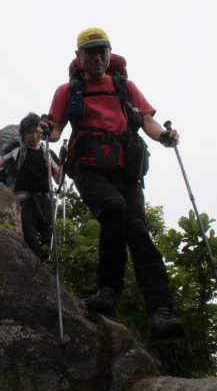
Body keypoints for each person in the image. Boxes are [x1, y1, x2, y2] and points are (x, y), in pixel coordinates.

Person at [44, 27, 184, 339]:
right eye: (89, 52)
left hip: (127, 171)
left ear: (109, 54)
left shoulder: (125, 86)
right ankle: (108, 289)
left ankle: (160, 312)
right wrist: (46, 129)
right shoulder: (68, 90)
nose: (96, 57)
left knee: (138, 234)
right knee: (113, 207)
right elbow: (55, 131)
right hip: (88, 168)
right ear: (79, 57)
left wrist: (164, 135)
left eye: (101, 51)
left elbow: (147, 121)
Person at [0, 113, 61, 259]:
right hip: (24, 203)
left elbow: (59, 179)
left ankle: (45, 276)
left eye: (38, 132)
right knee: (30, 241)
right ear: (23, 134)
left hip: (46, 204)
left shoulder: (48, 153)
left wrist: (65, 159)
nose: (35, 136)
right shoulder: (16, 148)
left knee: (48, 244)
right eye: (30, 132)